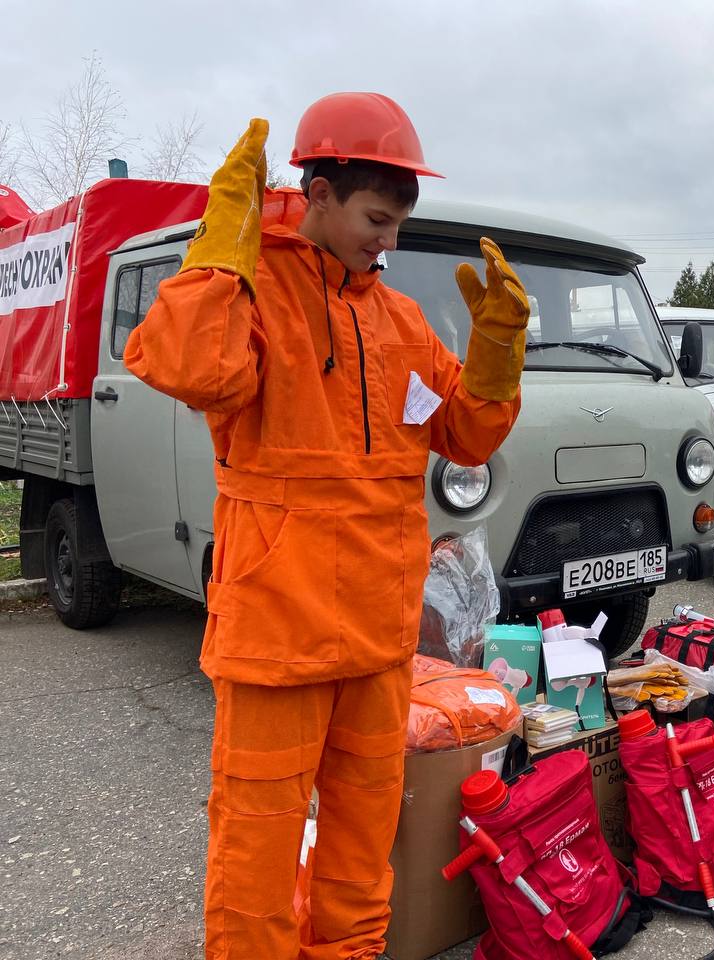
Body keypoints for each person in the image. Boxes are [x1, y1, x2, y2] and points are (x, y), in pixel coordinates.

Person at [124, 94, 528, 959]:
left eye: (398, 224)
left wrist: (495, 347)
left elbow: (466, 431)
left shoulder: (400, 321)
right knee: (258, 851)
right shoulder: (254, 293)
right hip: (278, 627)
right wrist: (219, 248)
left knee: (360, 842)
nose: (389, 241)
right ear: (315, 191)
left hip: (381, 634)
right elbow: (192, 366)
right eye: (376, 219)